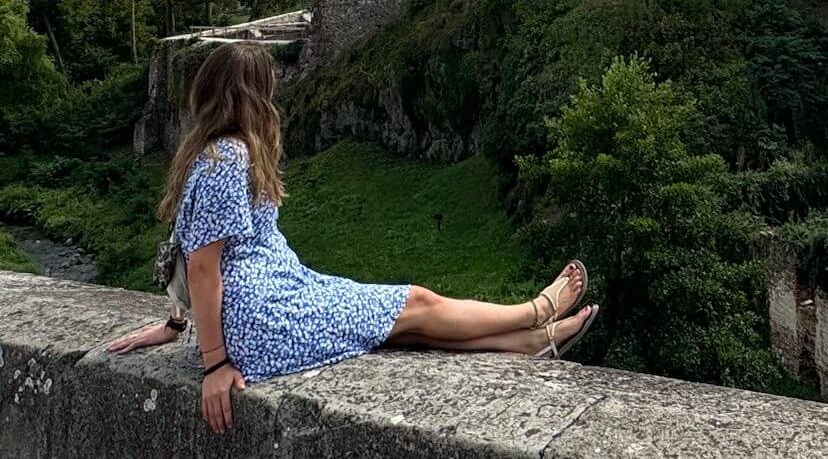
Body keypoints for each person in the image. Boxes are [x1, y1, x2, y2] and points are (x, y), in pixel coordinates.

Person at [105, 43, 598, 434]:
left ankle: (531, 341)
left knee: (397, 326)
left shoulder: (207, 152)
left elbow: (186, 242)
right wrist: (214, 365)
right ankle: (537, 311)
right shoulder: (229, 158)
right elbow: (202, 264)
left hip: (272, 298)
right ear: (254, 96)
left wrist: (174, 325)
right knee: (416, 304)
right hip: (263, 319)